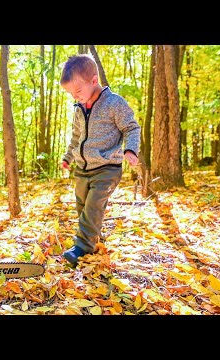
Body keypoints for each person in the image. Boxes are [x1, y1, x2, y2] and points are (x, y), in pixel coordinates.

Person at [60, 54, 140, 267]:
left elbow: (131, 127)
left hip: (107, 168)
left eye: (78, 91)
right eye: (71, 94)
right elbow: (76, 138)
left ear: (94, 81)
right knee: (83, 206)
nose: (75, 97)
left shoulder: (114, 103)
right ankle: (92, 239)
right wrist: (68, 157)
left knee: (94, 204)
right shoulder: (79, 109)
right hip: (83, 168)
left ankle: (82, 247)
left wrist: (131, 150)